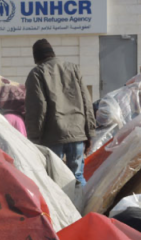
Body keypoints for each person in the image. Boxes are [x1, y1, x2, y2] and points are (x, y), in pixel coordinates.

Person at [25, 39, 96, 187]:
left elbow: (37, 109)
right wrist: (89, 133)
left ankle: (60, 210)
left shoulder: (37, 73)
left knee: (54, 180)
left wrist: (34, 140)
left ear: (36, 57)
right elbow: (86, 102)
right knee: (77, 176)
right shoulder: (73, 69)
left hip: (53, 136)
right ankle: (83, 208)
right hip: (77, 132)